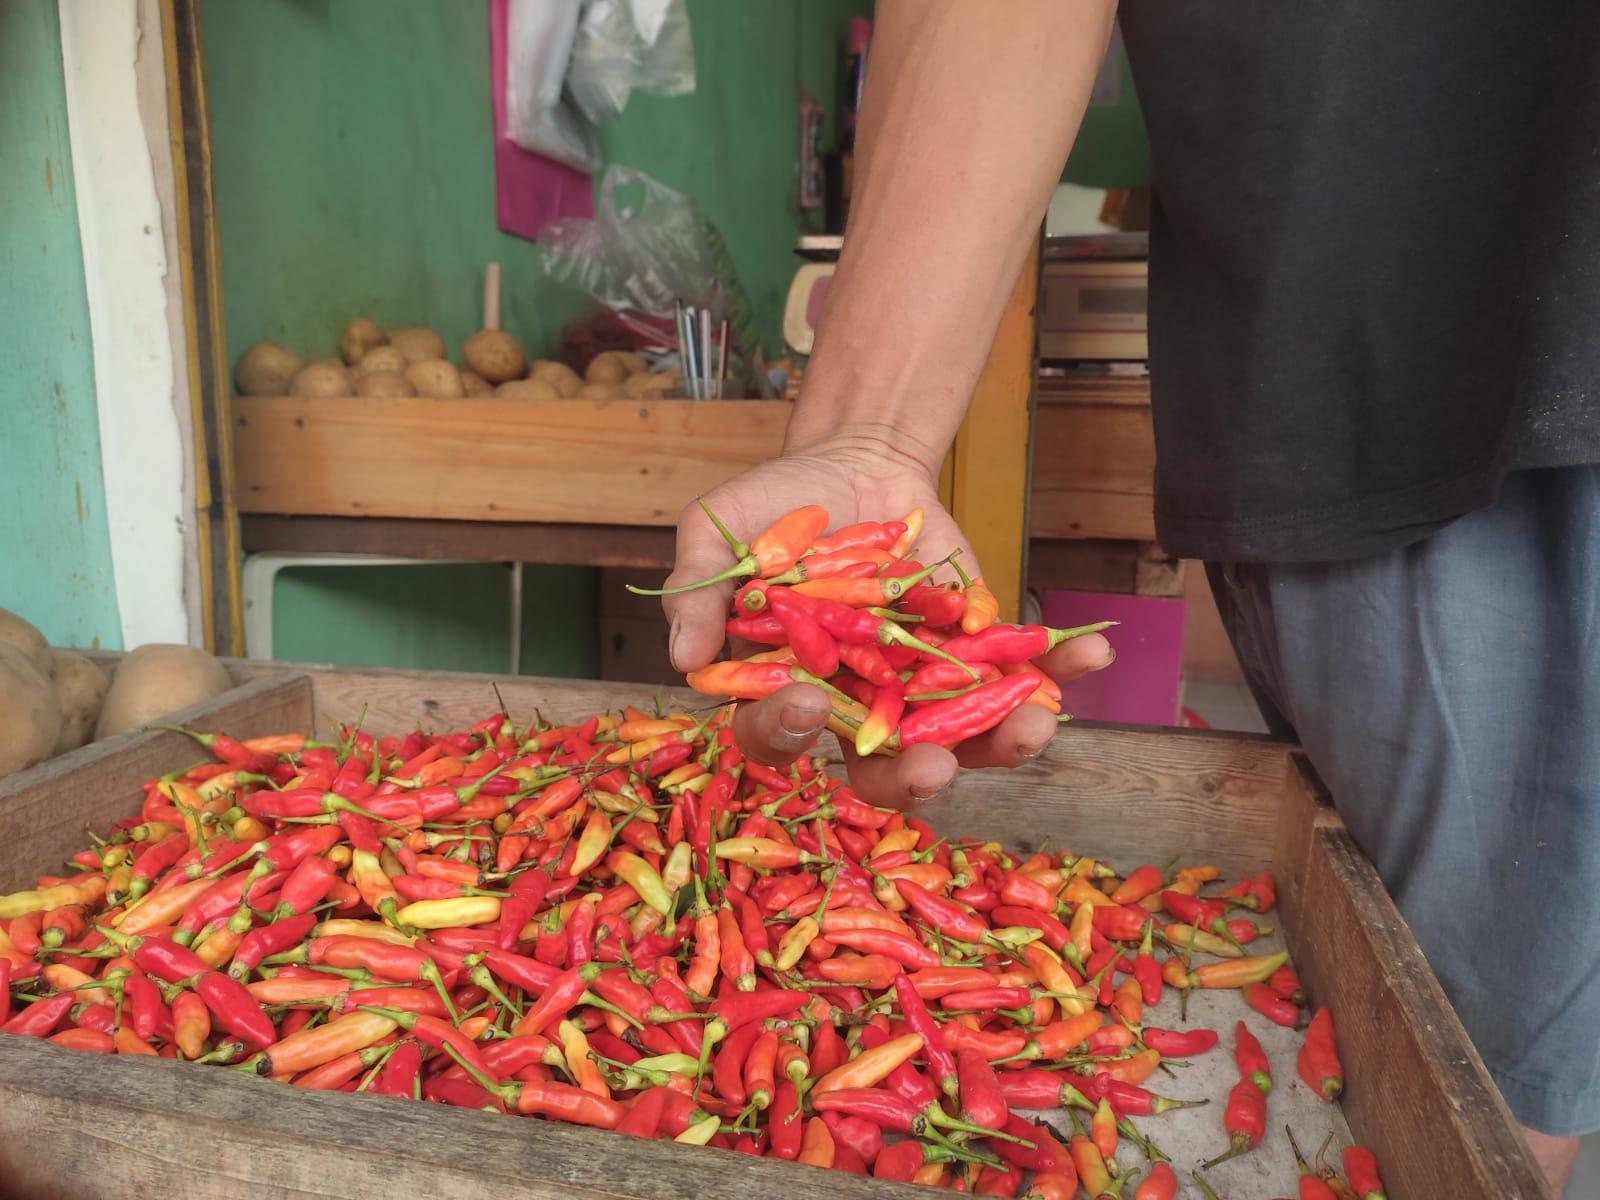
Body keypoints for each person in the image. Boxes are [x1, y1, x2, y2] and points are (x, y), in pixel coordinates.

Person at [661, 4, 1599, 1193]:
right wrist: (870, 437)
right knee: (1459, 1067)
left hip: (1416, 365)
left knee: (1463, 1052)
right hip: (1416, 382)